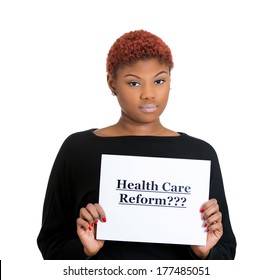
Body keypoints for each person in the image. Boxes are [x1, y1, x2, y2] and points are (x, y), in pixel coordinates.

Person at [37, 30, 236, 260]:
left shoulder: (200, 154)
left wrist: (205, 251)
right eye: (134, 83)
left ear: (170, 80)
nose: (149, 94)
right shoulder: (77, 150)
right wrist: (85, 251)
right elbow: (50, 243)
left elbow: (227, 252)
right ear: (112, 83)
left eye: (159, 81)